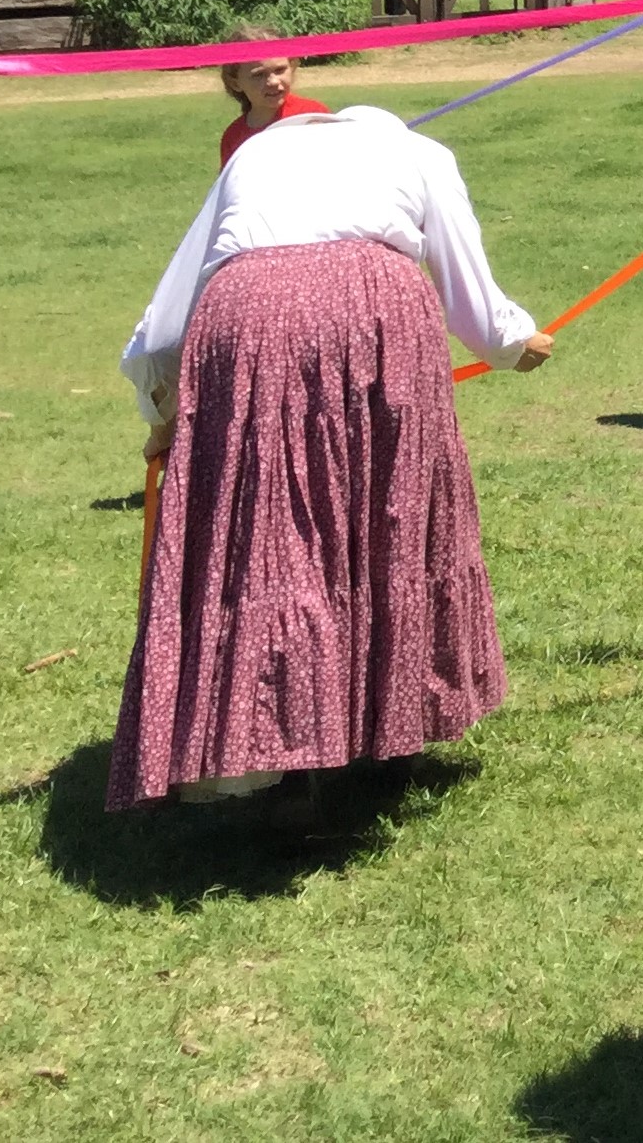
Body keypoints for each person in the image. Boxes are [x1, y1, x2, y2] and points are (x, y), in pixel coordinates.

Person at [113, 108, 549, 809]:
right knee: (388, 518)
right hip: (374, 317)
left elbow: (178, 298)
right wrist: (515, 344)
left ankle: (274, 742)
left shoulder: (254, 156)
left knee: (274, 532)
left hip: (246, 316)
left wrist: (162, 409)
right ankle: (379, 732)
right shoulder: (419, 153)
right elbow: (471, 293)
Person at [216, 36, 331, 168]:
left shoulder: (312, 115)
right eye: (259, 75)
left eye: (280, 70)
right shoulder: (234, 137)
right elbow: (232, 185)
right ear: (235, 83)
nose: (274, 81)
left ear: (292, 67)